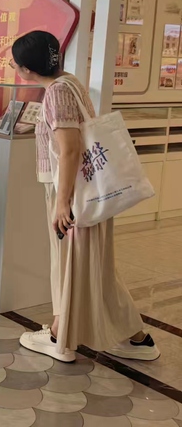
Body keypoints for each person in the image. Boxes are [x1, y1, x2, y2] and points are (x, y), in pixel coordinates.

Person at [11, 30, 159, 363]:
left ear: (27, 69)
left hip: (75, 194)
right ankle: (127, 338)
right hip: (86, 191)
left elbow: (70, 149)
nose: (12, 66)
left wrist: (62, 203)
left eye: (15, 63)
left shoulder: (56, 93)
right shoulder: (70, 83)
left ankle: (61, 337)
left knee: (74, 266)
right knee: (90, 268)